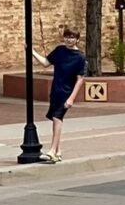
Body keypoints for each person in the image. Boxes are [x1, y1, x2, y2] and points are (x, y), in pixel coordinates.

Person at [31, 28, 86, 163]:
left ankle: (52, 150)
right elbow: (45, 63)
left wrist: (72, 98)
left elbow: (80, 79)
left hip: (67, 92)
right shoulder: (60, 50)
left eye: (72, 37)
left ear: (77, 39)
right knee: (55, 118)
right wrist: (31, 51)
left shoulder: (80, 57)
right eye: (67, 37)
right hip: (56, 90)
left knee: (57, 117)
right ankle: (58, 151)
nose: (69, 39)